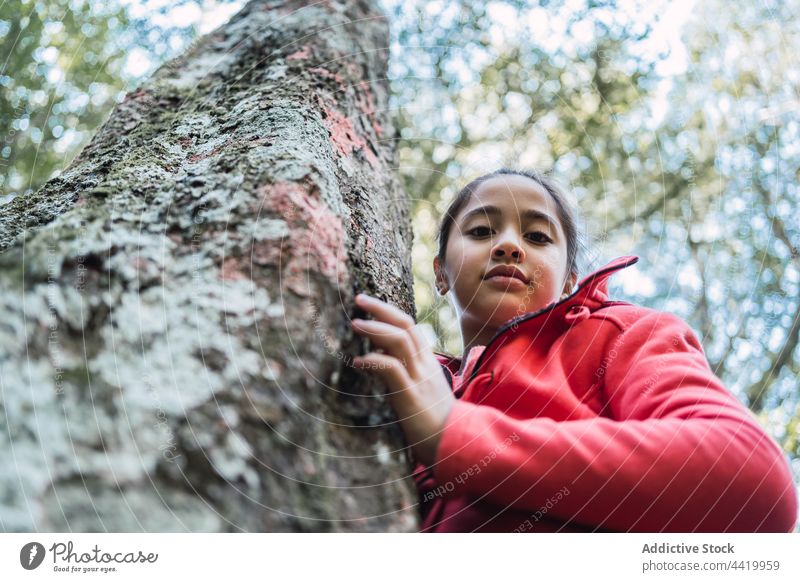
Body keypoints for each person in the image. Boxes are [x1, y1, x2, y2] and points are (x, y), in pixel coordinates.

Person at [350, 168, 798, 532]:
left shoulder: (622, 334)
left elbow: (753, 480)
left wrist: (455, 433)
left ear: (569, 280)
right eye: (483, 230)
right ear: (440, 273)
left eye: (539, 237)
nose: (509, 245)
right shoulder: (412, 377)